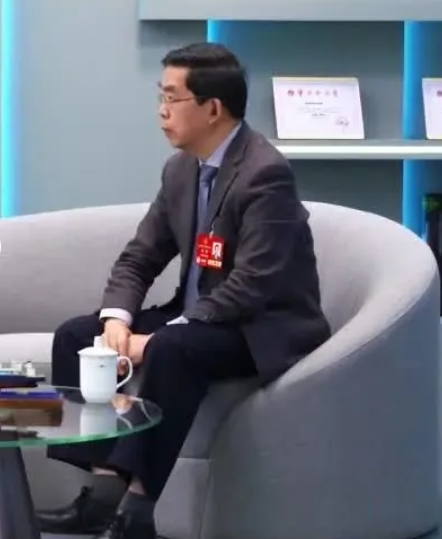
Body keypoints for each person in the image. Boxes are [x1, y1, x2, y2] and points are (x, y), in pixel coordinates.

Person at [35, 43, 332, 539]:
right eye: (161, 96)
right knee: (75, 337)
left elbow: (252, 284)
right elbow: (140, 256)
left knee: (172, 348)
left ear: (212, 108)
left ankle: (138, 512)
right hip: (198, 315)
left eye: (172, 98)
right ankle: (102, 495)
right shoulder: (181, 169)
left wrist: (155, 337)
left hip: (258, 325)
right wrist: (117, 321)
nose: (161, 111)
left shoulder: (265, 174)